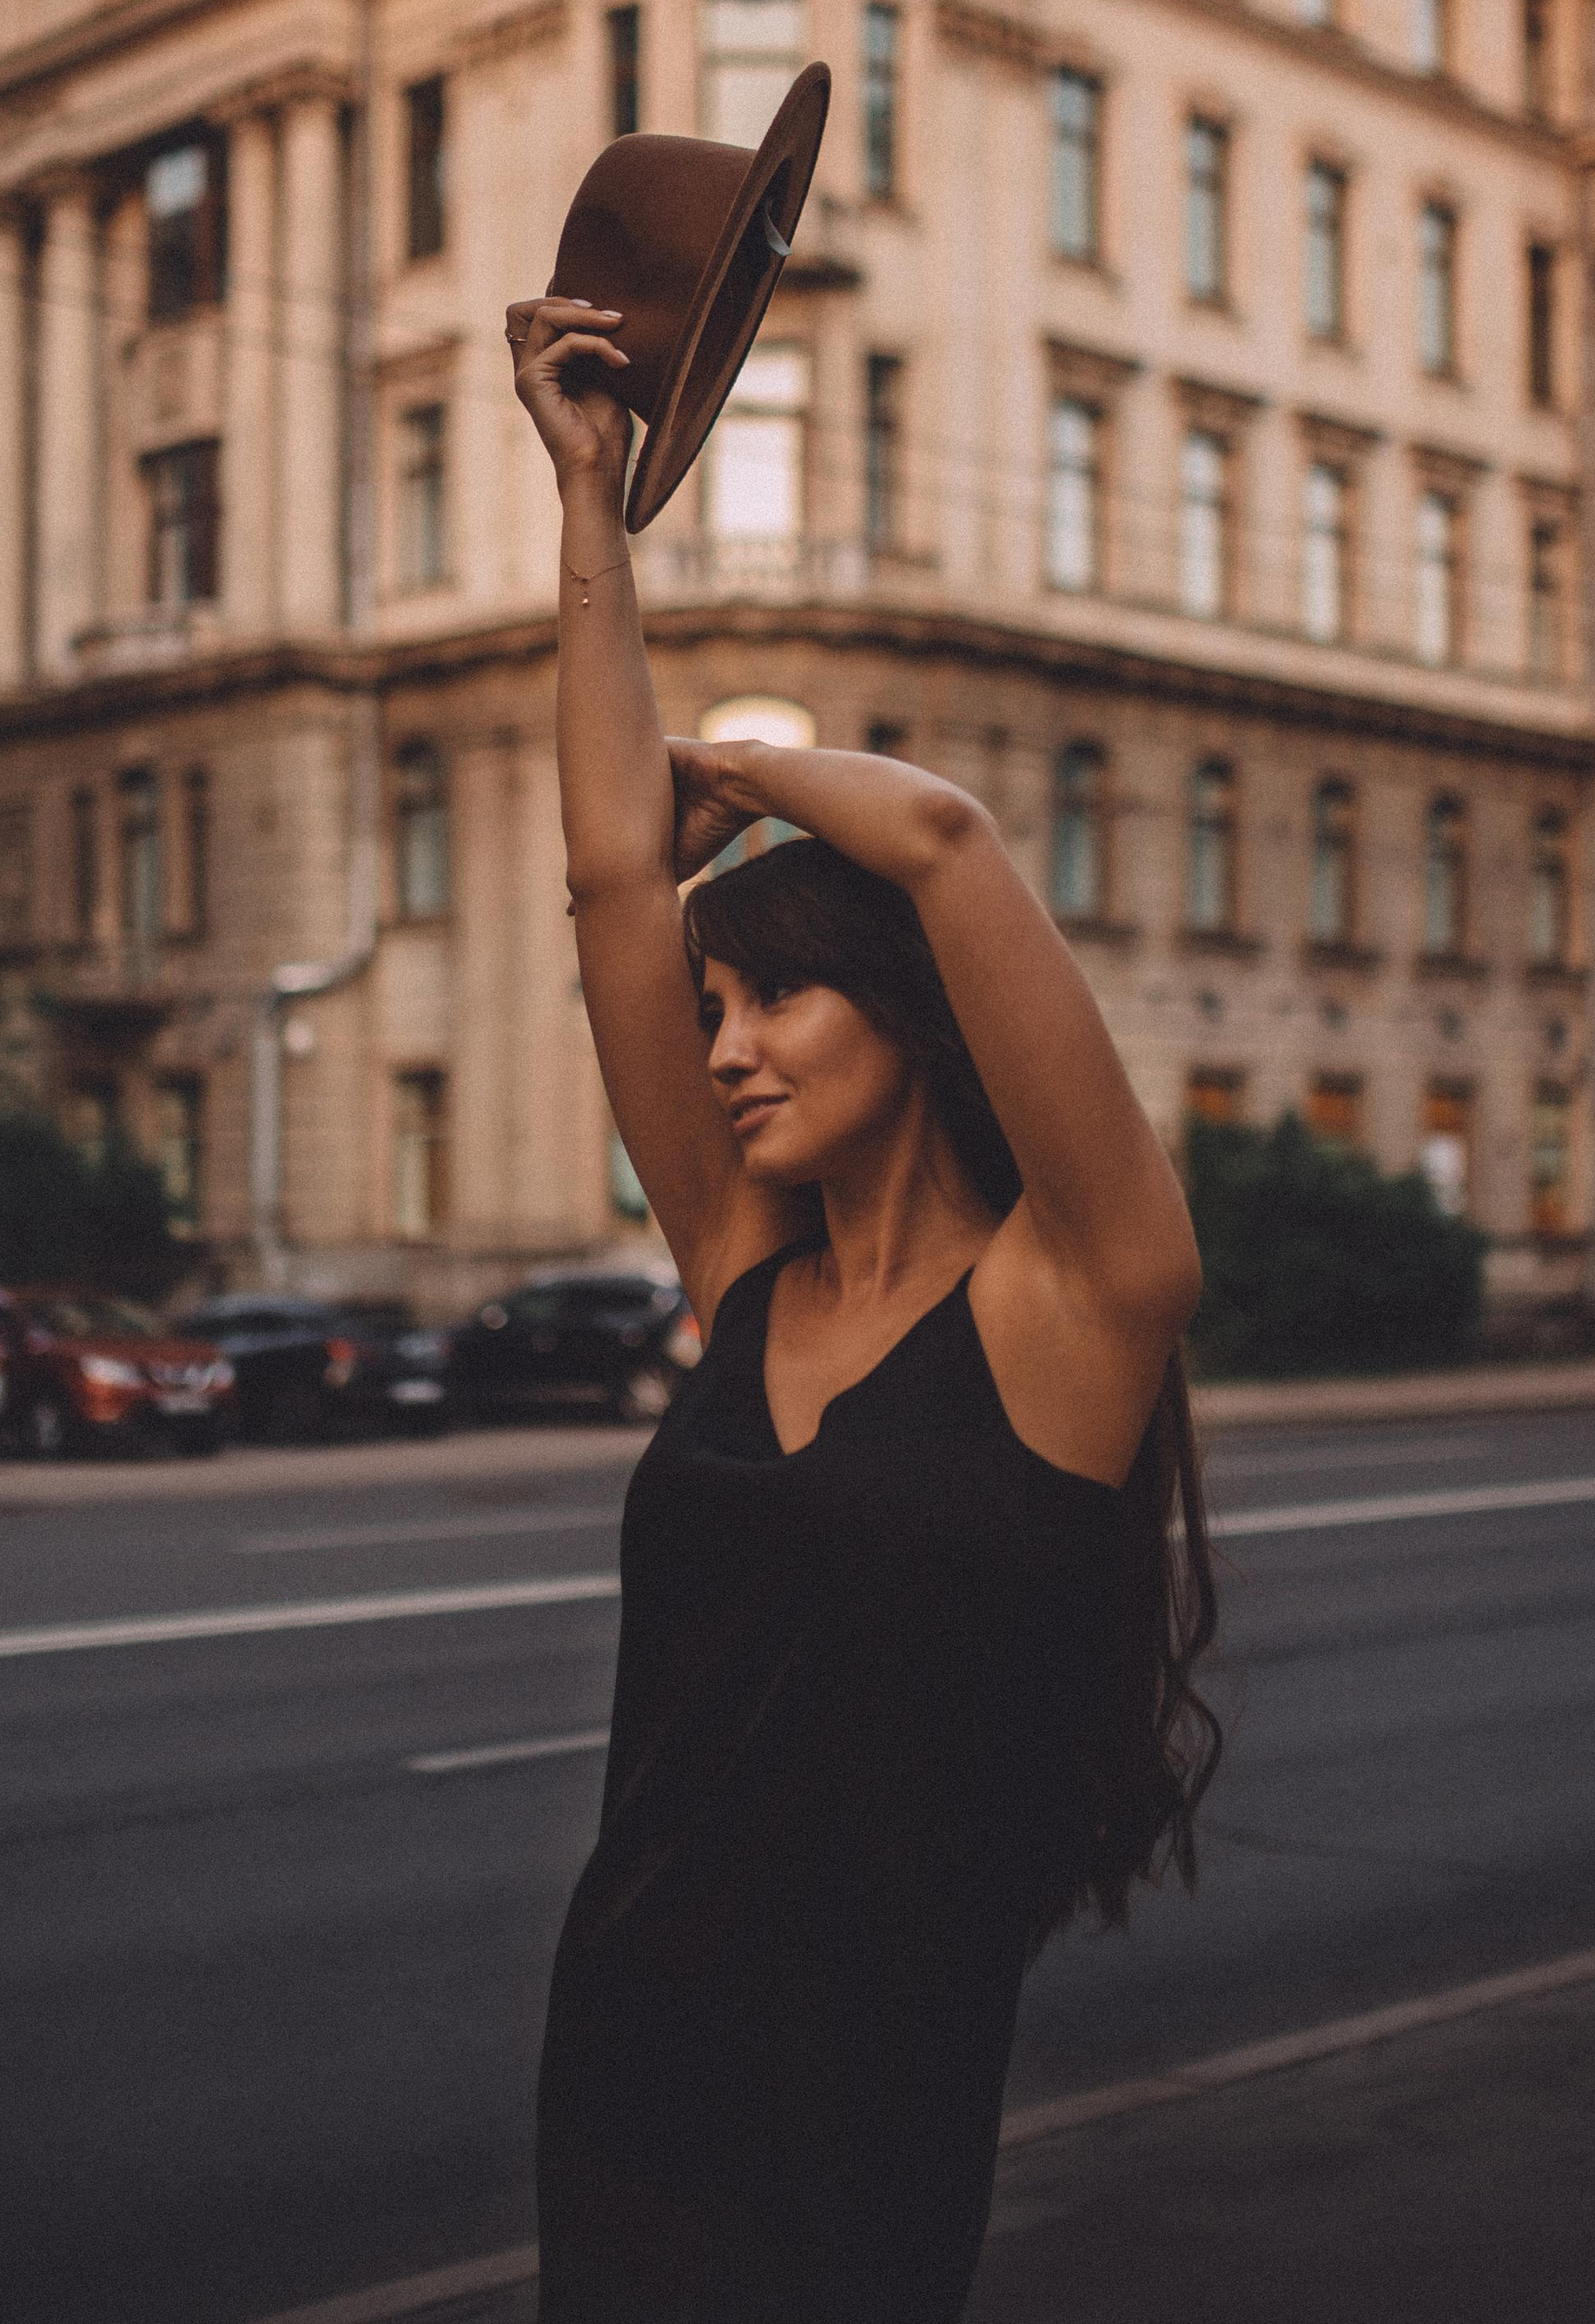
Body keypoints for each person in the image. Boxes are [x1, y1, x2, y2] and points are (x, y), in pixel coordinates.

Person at [506, 291, 1221, 2324]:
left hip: (865, 2080)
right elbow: (611, 880)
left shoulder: (1084, 1298)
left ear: (905, 1015)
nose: (719, 1049)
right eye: (710, 1013)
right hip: (627, 2040)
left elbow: (946, 839)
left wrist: (742, 768)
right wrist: (590, 505)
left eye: (774, 999)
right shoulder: (743, 1276)